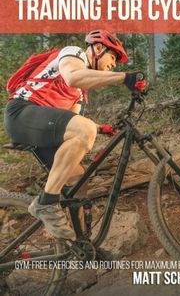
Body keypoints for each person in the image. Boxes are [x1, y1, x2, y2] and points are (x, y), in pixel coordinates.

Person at [4, 30, 146, 241]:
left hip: (42, 126)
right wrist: (126, 78)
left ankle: (80, 245)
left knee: (78, 182)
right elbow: (72, 77)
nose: (115, 64)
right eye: (113, 57)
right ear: (98, 49)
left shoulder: (79, 93)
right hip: (22, 113)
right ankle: (46, 202)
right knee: (84, 129)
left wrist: (100, 128)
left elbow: (69, 122)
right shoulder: (74, 53)